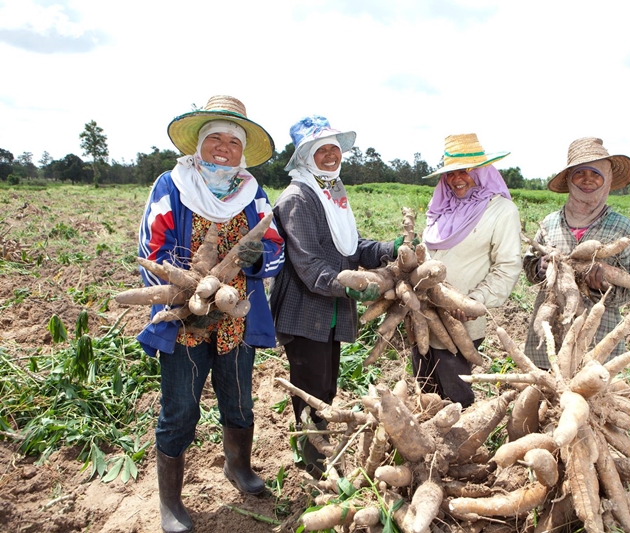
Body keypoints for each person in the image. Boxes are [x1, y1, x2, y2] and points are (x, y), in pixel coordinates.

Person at [137, 95, 285, 533]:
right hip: (185, 318)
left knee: (238, 398)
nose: (224, 147)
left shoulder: (252, 192)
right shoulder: (172, 185)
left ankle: (237, 467)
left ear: (243, 151)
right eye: (215, 138)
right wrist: (186, 296)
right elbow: (152, 249)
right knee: (180, 407)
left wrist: (250, 257)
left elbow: (273, 245)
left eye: (233, 142)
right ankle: (170, 503)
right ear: (199, 144)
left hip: (236, 315)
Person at [269, 115, 398, 477]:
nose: (330, 155)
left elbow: (350, 248)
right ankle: (312, 463)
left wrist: (390, 248)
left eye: (334, 149)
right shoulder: (299, 198)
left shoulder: (332, 192)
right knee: (309, 391)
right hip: (305, 311)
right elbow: (311, 267)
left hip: (330, 314)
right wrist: (356, 285)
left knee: (326, 387)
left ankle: (318, 453)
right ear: (305, 156)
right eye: (321, 149)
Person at [415, 133, 523, 408]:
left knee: (455, 400)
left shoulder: (501, 211)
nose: (456, 179)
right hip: (422, 317)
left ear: (482, 171)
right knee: (425, 394)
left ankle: (460, 448)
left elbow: (507, 267)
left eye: (465, 170)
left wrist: (474, 301)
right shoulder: (442, 207)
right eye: (450, 173)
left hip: (459, 320)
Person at [523, 136, 630, 369]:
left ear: (607, 179)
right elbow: (529, 265)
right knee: (544, 391)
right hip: (548, 333)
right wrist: (540, 268)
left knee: (592, 395)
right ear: (569, 178)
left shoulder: (621, 228)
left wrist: (602, 288)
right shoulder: (549, 223)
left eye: (596, 174)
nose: (587, 179)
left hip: (598, 337)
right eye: (580, 173)